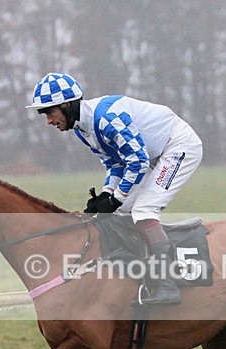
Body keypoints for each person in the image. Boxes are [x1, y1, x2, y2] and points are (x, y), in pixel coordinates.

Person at [27, 72, 203, 305]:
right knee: (118, 213)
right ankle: (139, 275)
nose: (48, 121)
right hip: (151, 154)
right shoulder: (83, 129)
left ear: (67, 105)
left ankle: (166, 285)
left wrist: (116, 197)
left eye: (50, 112)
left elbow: (137, 162)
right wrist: (107, 194)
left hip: (178, 146)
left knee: (143, 210)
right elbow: (115, 163)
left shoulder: (106, 119)